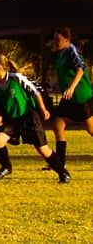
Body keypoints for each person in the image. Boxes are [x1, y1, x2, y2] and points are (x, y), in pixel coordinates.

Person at [0, 53, 70, 183]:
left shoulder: (16, 78)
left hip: (28, 118)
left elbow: (35, 91)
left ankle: (62, 172)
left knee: (43, 150)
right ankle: (6, 167)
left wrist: (42, 109)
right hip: (10, 120)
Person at [48, 27, 93, 170]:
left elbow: (80, 68)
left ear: (67, 39)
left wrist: (72, 87)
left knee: (91, 128)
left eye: (58, 39)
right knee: (58, 124)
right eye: (54, 39)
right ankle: (60, 162)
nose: (55, 42)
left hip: (81, 95)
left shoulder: (71, 50)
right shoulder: (59, 54)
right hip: (68, 96)